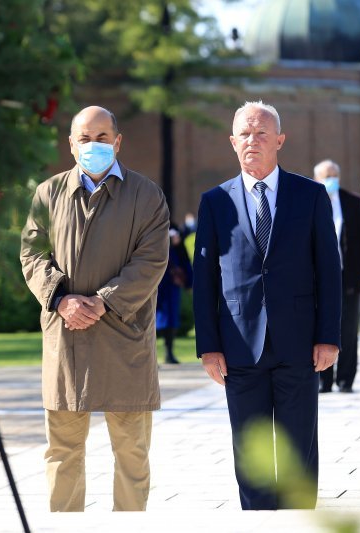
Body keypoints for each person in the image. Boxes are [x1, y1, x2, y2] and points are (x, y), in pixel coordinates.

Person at [193, 101, 342, 510]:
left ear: (279, 140)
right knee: (253, 457)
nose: (252, 141)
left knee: (298, 455)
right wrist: (208, 346)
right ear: (232, 142)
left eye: (261, 133)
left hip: (299, 346)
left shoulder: (310, 196)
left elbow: (329, 272)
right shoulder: (214, 202)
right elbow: (204, 280)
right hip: (240, 349)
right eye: (244, 133)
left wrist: (329, 337)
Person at [20, 105, 170, 512]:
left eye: (102, 137)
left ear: (117, 142)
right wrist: (62, 299)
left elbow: (151, 260)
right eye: (84, 138)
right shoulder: (48, 194)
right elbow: (32, 255)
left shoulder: (146, 195)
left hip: (126, 337)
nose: (93, 145)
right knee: (63, 454)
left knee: (132, 455)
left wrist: (104, 302)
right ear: (70, 145)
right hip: (66, 339)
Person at [313, 160, 360, 393]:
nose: (331, 179)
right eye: (327, 175)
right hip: (319, 279)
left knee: (348, 330)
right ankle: (323, 381)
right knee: (322, 330)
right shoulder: (310, 201)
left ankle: (346, 379)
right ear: (317, 178)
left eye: (334, 175)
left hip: (349, 277)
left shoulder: (354, 202)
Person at [156, 227, 193, 364]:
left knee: (170, 320)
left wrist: (189, 282)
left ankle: (169, 353)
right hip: (156, 285)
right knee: (151, 321)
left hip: (171, 287)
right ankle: (150, 357)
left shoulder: (175, 228)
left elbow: (184, 259)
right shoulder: (152, 225)